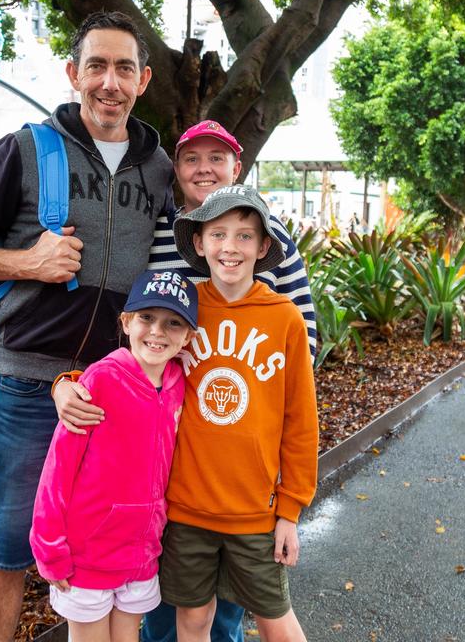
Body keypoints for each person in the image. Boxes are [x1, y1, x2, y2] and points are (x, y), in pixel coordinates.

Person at [0, 11, 174, 642]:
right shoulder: (26, 150)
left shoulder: (160, 169)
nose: (109, 82)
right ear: (73, 74)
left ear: (143, 80)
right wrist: (26, 261)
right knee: (7, 543)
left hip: (119, 389)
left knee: (116, 547)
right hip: (32, 383)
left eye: (123, 68)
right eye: (96, 66)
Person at [55, 119, 317, 642]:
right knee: (178, 612)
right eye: (192, 158)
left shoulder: (278, 289)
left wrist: (288, 502)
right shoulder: (175, 277)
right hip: (177, 489)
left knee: (248, 616)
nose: (231, 247)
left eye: (216, 158)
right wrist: (70, 379)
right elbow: (138, 348)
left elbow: (297, 388)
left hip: (250, 490)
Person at [164, 185, 317, 642]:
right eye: (218, 234)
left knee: (277, 622)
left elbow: (301, 421)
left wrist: (290, 511)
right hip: (187, 508)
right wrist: (70, 383)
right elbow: (135, 375)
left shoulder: (284, 316)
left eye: (245, 236)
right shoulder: (180, 309)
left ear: (264, 246)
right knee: (192, 620)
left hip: (255, 511)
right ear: (199, 242)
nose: (230, 247)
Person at [30, 270, 198, 641]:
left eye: (173, 323)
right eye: (146, 318)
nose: (157, 331)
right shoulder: (99, 381)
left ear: (187, 337)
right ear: (125, 321)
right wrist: (49, 546)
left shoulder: (179, 385)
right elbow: (58, 468)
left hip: (141, 555)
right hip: (88, 556)